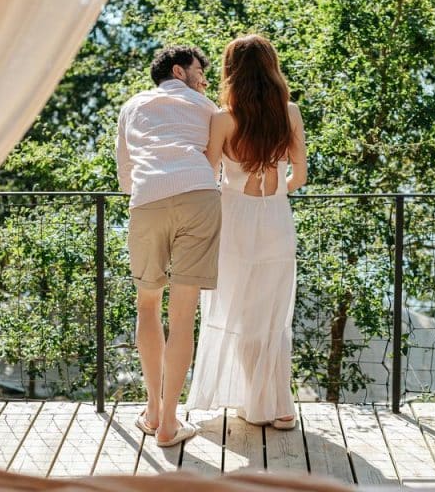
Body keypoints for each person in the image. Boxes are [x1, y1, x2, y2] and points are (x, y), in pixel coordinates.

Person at [185, 34, 307, 428]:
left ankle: (257, 406)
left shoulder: (223, 119)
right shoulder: (290, 112)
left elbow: (207, 177)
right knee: (272, 316)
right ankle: (280, 407)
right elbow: (299, 176)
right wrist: (272, 200)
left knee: (238, 314)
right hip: (276, 219)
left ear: (231, 72)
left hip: (234, 218)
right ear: (272, 68)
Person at [115, 45, 221, 447]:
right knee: (183, 315)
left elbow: (124, 168)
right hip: (198, 195)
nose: (204, 78)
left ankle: (153, 409)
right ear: (178, 71)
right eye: (199, 70)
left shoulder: (133, 106)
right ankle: (170, 424)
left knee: (147, 304)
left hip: (147, 200)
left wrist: (146, 189)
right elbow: (216, 161)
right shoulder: (206, 107)